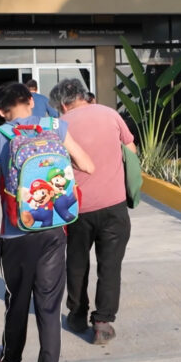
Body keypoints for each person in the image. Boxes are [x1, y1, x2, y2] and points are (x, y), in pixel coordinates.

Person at [0, 82, 94, 362]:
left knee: (16, 302)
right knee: (48, 306)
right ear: (31, 102)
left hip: (16, 232)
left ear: (1, 112)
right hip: (54, 231)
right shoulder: (57, 127)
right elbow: (87, 165)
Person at [48, 78, 135, 346]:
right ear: (84, 96)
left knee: (76, 263)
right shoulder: (110, 114)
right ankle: (103, 323)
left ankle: (76, 316)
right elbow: (130, 150)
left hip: (77, 209)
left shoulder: (60, 126)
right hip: (114, 205)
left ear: (63, 104)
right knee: (110, 265)